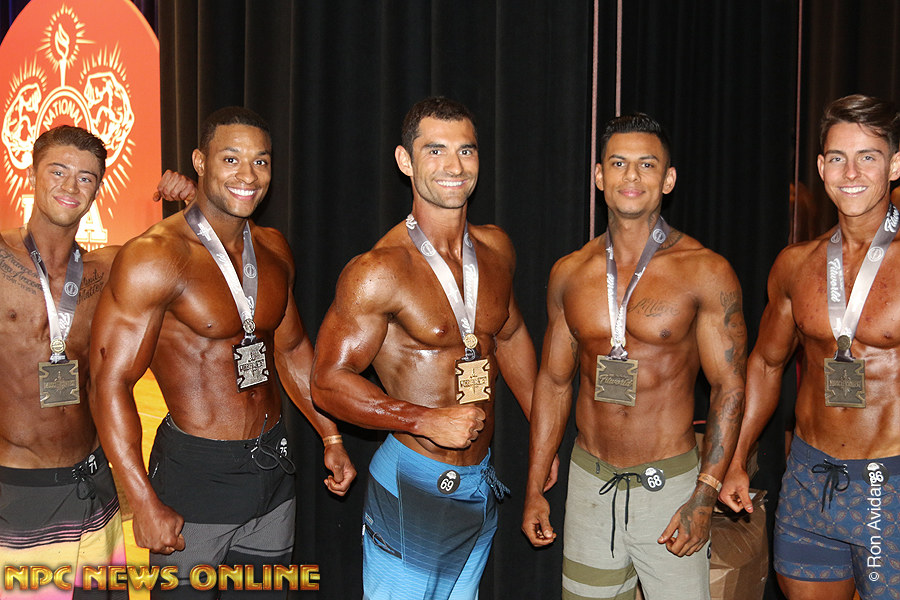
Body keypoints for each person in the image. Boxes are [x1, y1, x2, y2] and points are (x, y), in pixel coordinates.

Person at [90, 106, 356, 597]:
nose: (248, 176)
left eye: (261, 161)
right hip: (196, 479)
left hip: (273, 472)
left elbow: (292, 349)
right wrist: (142, 501)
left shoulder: (274, 249)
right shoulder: (155, 257)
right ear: (200, 162)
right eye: (231, 159)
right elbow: (110, 382)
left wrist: (330, 434)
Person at [310, 96, 549, 600]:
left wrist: (542, 436)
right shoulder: (379, 270)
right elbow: (326, 383)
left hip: (479, 483)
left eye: (466, 150)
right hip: (413, 484)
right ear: (405, 161)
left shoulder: (497, 249)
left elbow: (508, 337)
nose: (454, 166)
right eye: (435, 150)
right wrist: (422, 419)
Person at [522, 113, 747, 600]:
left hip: (670, 490)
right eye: (618, 163)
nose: (631, 175)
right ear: (599, 175)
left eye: (647, 164)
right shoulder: (569, 273)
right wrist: (535, 485)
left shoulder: (705, 270)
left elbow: (729, 386)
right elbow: (554, 382)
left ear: (668, 179)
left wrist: (705, 492)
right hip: (590, 484)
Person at [720, 94, 900, 599]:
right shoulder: (795, 265)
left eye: (868, 156)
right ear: (821, 168)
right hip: (808, 480)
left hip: (890, 486)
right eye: (838, 157)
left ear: (895, 165)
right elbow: (765, 363)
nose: (851, 173)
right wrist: (736, 457)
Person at [0, 125, 127, 598]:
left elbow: (191, 249)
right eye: (58, 171)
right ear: (32, 174)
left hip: (94, 485)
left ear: (97, 189)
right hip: (19, 493)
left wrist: (190, 196)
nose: (71, 186)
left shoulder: (108, 269)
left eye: (86, 177)